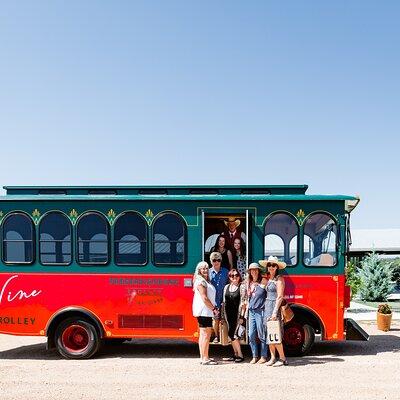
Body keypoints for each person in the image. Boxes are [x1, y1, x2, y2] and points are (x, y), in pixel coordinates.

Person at [259, 256, 288, 367]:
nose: (271, 267)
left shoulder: (279, 279)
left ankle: (283, 358)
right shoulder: (268, 279)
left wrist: (275, 313)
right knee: (269, 334)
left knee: (275, 334)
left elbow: (280, 296)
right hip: (267, 307)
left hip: (274, 308)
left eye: (273, 265)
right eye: (269, 265)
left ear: (277, 267)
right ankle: (272, 358)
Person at [192, 261, 219, 365]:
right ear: (199, 270)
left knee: (203, 335)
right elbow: (204, 298)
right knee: (205, 335)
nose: (205, 270)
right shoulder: (201, 282)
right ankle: (205, 358)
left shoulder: (204, 281)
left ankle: (203, 357)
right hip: (205, 311)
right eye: (203, 268)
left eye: (206, 268)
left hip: (205, 311)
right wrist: (214, 308)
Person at [221, 268, 247, 362]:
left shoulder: (242, 287)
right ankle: (235, 354)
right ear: (229, 277)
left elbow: (244, 303)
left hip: (237, 315)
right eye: (232, 276)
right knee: (230, 334)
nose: (234, 277)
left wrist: (242, 317)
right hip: (228, 315)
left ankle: (240, 355)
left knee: (234, 334)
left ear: (239, 277)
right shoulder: (226, 287)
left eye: (236, 275)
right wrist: (222, 316)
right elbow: (224, 302)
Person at [246, 262, 268, 364]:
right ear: (249, 272)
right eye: (252, 270)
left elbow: (269, 294)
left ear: (258, 271)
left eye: (255, 270)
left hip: (260, 310)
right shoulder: (249, 282)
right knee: (251, 335)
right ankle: (255, 356)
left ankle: (263, 356)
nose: (253, 272)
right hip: (251, 311)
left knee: (261, 334)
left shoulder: (263, 281)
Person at [209, 252, 229, 342]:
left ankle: (224, 335)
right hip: (213, 300)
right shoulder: (208, 272)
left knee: (224, 319)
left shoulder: (226, 272)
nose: (216, 262)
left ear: (221, 261)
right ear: (211, 261)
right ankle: (216, 336)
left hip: (224, 299)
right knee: (215, 319)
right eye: (214, 260)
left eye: (218, 260)